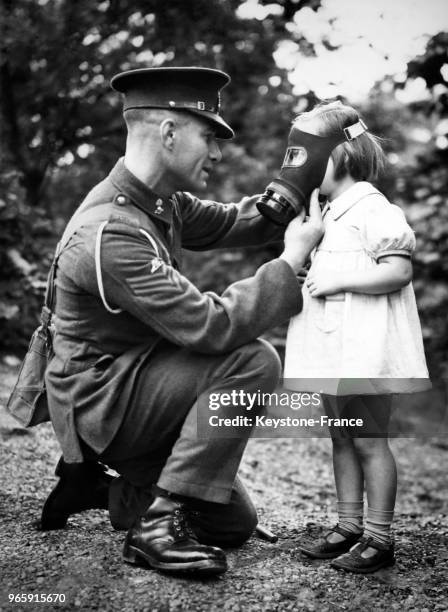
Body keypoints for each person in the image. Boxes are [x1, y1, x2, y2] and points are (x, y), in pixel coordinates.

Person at [41, 66, 324, 576]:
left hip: (133, 381)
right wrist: (287, 265)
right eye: (208, 136)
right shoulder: (111, 233)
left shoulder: (159, 201)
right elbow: (209, 327)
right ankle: (154, 528)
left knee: (232, 524)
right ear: (169, 133)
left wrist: (305, 168)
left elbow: (245, 220)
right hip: (102, 400)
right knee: (252, 360)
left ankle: (95, 486)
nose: (217, 153)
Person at [283, 101, 429, 573]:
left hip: (363, 352)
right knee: (342, 439)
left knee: (369, 440)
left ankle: (379, 538)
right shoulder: (327, 214)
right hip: (334, 351)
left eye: (309, 157)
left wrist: (339, 281)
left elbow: (399, 271)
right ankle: (349, 526)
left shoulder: (374, 209)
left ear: (341, 156)